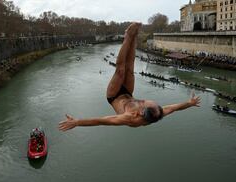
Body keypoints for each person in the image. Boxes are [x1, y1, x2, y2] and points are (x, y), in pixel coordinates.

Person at [58, 22, 200, 132]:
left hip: (114, 96)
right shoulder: (157, 112)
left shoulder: (128, 118)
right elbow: (173, 108)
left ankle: (127, 37)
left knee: (120, 70)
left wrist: (77, 122)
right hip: (127, 93)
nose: (143, 101)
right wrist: (190, 103)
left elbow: (101, 121)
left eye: (144, 102)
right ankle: (134, 37)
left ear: (141, 111)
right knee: (130, 67)